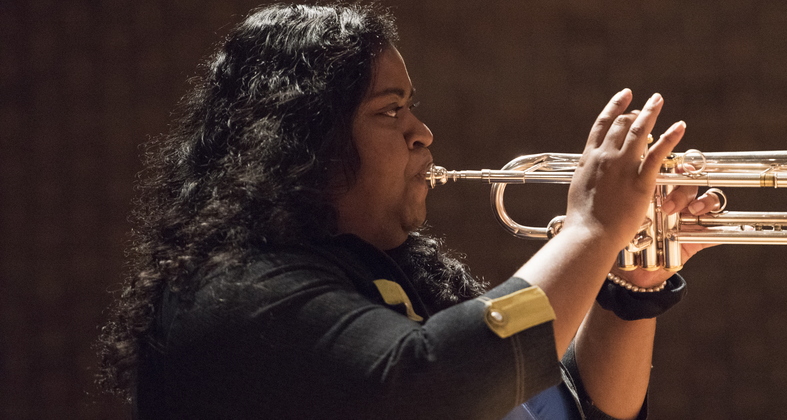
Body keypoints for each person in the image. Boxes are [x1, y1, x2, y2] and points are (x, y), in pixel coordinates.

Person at [97, 4, 721, 420]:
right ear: (301, 138)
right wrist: (590, 228)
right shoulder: (242, 293)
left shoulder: (392, 277)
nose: (422, 132)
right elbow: (435, 385)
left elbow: (565, 409)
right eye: (389, 110)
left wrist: (629, 287)